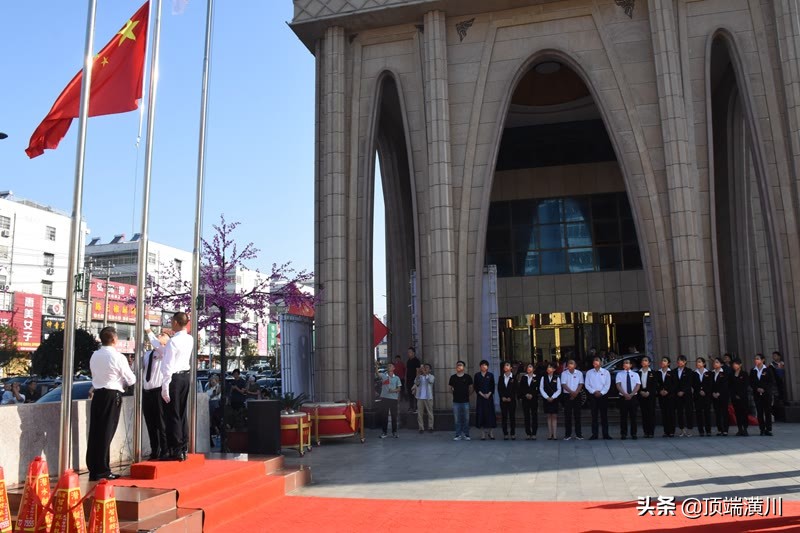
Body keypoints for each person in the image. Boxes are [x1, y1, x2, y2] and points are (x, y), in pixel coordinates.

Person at [87, 326, 135, 480]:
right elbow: (131, 379)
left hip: (98, 394)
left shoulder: (95, 355)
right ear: (114, 339)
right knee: (106, 432)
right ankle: (102, 470)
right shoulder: (118, 357)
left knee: (96, 432)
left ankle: (94, 468)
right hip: (112, 394)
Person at [159, 312, 195, 461]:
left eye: (172, 321)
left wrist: (165, 386)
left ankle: (176, 448)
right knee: (181, 412)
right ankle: (183, 446)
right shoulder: (190, 338)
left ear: (175, 322)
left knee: (172, 413)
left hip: (174, 378)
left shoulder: (173, 341)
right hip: (185, 377)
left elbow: (168, 365)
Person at [143, 329, 169, 460]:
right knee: (150, 423)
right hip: (147, 392)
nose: (159, 335)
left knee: (161, 423)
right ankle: (155, 450)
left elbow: (156, 344)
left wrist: (148, 330)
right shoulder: (148, 354)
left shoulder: (165, 352)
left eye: (163, 335)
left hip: (158, 391)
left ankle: (165, 449)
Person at [584, 356, 611, 440]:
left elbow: (607, 385)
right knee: (594, 416)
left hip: (603, 395)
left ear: (601, 363)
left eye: (597, 360)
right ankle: (594, 434)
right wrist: (594, 392)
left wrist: (601, 392)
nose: (595, 362)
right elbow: (587, 384)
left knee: (604, 416)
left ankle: (605, 434)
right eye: (594, 361)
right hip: (593, 396)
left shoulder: (606, 372)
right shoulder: (589, 373)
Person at [375, 361, 402, 438]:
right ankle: (384, 432)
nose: (389, 367)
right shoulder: (384, 376)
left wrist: (393, 390)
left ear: (394, 368)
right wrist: (376, 366)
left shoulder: (397, 378)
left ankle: (394, 432)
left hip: (393, 399)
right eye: (388, 366)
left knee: (394, 416)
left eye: (390, 366)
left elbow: (399, 389)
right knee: (384, 416)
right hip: (385, 398)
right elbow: (377, 373)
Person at [616, 359, 640, 440]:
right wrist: (625, 394)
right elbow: (618, 385)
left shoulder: (635, 374)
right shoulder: (619, 374)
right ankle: (623, 433)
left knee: (633, 416)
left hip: (633, 397)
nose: (625, 364)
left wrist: (631, 394)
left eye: (627, 363)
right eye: (624, 363)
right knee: (623, 416)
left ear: (631, 365)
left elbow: (638, 385)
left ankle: (634, 433)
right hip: (623, 397)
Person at [750, 353, 774, 436]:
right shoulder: (753, 370)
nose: (756, 360)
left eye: (758, 359)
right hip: (757, 394)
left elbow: (771, 382)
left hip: (766, 394)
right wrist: (757, 388)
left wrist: (764, 389)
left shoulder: (768, 370)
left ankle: (768, 429)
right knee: (759, 412)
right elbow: (751, 382)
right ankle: (762, 429)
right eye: (755, 359)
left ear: (763, 360)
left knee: (767, 411)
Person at [560, 359, 584, 441]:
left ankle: (579, 434)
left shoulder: (579, 373)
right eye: (569, 363)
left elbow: (581, 384)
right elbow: (563, 384)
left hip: (577, 395)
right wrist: (571, 392)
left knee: (577, 415)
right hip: (567, 395)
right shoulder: (564, 373)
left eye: (572, 363)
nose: (570, 365)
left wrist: (575, 393)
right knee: (567, 415)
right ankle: (567, 434)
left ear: (575, 365)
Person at [449, 360, 473, 441]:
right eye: (457, 365)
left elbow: (471, 388)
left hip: (465, 401)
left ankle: (466, 434)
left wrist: (467, 395)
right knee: (457, 419)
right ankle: (458, 434)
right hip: (456, 402)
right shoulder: (453, 377)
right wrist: (455, 394)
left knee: (466, 419)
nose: (458, 366)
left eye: (460, 365)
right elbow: (450, 389)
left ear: (464, 367)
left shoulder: (468, 377)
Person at [474, 360, 496, 440]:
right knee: (481, 414)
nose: (484, 366)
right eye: (482, 365)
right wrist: (482, 394)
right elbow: (476, 387)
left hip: (489, 398)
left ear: (487, 367)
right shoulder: (477, 375)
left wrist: (489, 394)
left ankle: (491, 432)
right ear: (480, 366)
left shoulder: (490, 375)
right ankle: (483, 433)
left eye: (485, 365)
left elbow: (492, 386)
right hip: (481, 398)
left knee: (490, 415)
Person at [655, 356, 676, 437]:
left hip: (670, 396)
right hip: (662, 396)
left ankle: (671, 431)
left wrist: (667, 391)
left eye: (665, 361)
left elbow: (674, 384)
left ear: (668, 363)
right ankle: (666, 431)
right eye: (662, 360)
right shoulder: (658, 373)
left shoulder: (672, 372)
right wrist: (660, 391)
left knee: (670, 413)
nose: (663, 362)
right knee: (664, 413)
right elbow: (656, 384)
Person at [540, 362, 561, 440]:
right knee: (548, 416)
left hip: (554, 399)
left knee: (554, 416)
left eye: (550, 367)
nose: (548, 369)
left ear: (554, 369)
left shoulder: (557, 378)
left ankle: (554, 434)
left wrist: (553, 397)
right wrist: (547, 397)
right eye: (548, 367)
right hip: (546, 399)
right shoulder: (543, 378)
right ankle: (550, 434)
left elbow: (559, 389)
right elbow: (541, 388)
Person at [517, 363, 539, 440]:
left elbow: (538, 388)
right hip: (525, 399)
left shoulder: (537, 377)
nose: (529, 368)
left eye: (530, 367)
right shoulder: (524, 377)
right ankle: (528, 433)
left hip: (534, 399)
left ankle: (534, 433)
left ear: (533, 369)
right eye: (528, 367)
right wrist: (525, 394)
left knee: (534, 416)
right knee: (526, 416)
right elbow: (521, 388)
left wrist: (532, 395)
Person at [692, 357, 712, 437]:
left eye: (699, 362)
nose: (698, 363)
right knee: (698, 413)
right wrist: (699, 390)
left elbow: (710, 384)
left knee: (707, 413)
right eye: (697, 362)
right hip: (697, 396)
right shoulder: (694, 373)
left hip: (706, 396)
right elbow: (693, 384)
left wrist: (705, 391)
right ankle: (701, 431)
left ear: (704, 363)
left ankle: (708, 430)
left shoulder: (709, 373)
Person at [674, 355, 694, 437]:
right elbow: (673, 383)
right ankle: (682, 429)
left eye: (681, 360)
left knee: (689, 411)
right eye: (678, 360)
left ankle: (689, 429)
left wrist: (683, 391)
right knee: (679, 412)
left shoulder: (689, 371)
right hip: (677, 395)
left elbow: (689, 383)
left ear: (685, 361)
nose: (679, 362)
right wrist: (677, 391)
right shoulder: (674, 371)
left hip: (687, 394)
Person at [497, 361, 517, 440]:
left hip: (511, 400)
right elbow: (499, 389)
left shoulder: (514, 377)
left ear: (511, 368)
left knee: (512, 417)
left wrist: (510, 397)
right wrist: (502, 397)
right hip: (503, 400)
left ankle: (513, 433)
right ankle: (505, 433)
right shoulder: (501, 377)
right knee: (504, 417)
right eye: (505, 365)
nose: (506, 367)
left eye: (508, 365)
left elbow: (515, 389)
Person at [638, 356, 656, 438]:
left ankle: (651, 432)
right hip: (641, 393)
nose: (643, 362)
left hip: (650, 395)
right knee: (644, 413)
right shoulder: (638, 373)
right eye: (642, 360)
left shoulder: (653, 373)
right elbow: (636, 384)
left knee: (651, 413)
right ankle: (646, 432)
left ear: (649, 363)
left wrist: (649, 392)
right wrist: (640, 391)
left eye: (645, 360)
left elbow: (654, 385)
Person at [711, 357, 730, 436]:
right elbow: (710, 385)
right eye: (714, 362)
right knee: (717, 412)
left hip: (723, 396)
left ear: (721, 364)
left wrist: (719, 393)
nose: (715, 364)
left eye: (717, 362)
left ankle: (725, 429)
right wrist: (713, 393)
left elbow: (725, 385)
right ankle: (719, 429)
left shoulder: (724, 373)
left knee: (724, 412)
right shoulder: (711, 373)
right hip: (714, 396)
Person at [730, 359, 749, 436]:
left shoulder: (744, 374)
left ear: (740, 365)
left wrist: (740, 395)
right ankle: (739, 429)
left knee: (744, 412)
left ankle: (745, 429)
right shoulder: (731, 374)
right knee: (737, 413)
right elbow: (730, 386)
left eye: (736, 364)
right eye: (733, 364)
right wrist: (734, 395)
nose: (734, 365)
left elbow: (745, 385)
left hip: (743, 397)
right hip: (734, 397)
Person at [414, 363, 435, 433]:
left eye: (427, 367)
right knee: (420, 413)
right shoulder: (420, 376)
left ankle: (431, 427)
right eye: (424, 367)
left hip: (428, 397)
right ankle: (421, 428)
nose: (425, 368)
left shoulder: (431, 376)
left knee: (430, 413)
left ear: (430, 370)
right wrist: (418, 374)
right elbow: (416, 383)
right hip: (420, 397)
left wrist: (425, 373)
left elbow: (430, 381)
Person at [771, 351, 786, 421]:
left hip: (782, 384)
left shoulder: (783, 364)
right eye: (773, 356)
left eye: (775, 356)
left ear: (779, 356)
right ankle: (777, 416)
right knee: (776, 400)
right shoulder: (771, 365)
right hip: (776, 385)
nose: (774, 357)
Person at [405, 348, 421, 414]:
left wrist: (416, 381)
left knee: (416, 394)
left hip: (414, 380)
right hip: (408, 380)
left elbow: (418, 371)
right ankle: (411, 407)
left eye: (410, 352)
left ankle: (416, 408)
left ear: (413, 353)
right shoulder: (408, 361)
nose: (408, 353)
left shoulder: (416, 361)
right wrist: (405, 379)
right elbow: (407, 370)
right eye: (408, 352)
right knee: (410, 394)